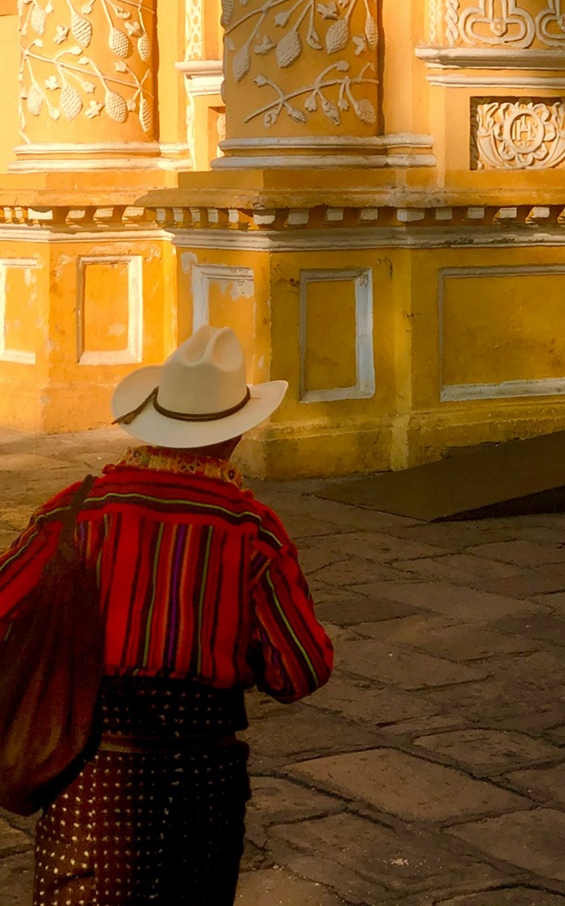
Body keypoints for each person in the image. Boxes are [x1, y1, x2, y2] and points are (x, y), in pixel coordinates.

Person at [0, 324, 334, 905]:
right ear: (234, 435)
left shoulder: (74, 514)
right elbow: (300, 669)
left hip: (88, 772)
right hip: (199, 783)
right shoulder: (251, 531)